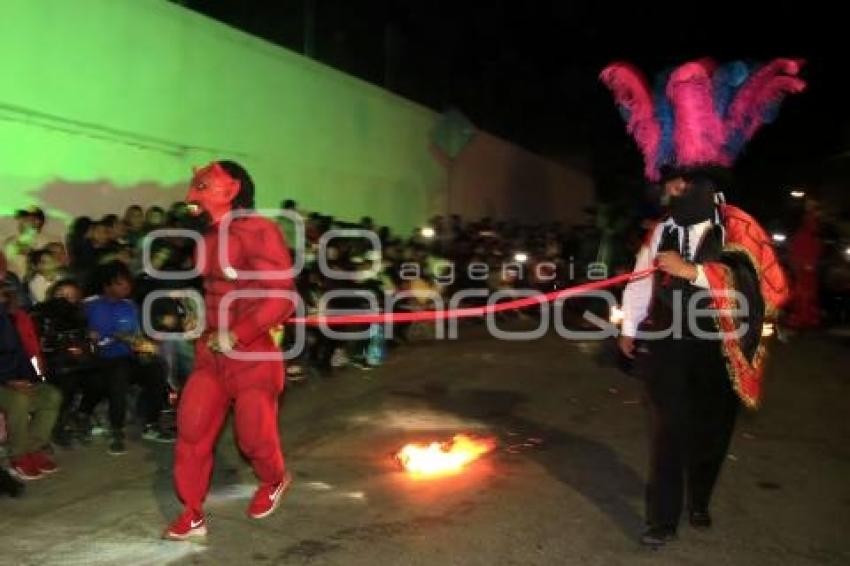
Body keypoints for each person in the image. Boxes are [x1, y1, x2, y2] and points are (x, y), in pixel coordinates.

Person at [602, 58, 803, 547]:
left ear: (702, 182)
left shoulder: (740, 227)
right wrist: (629, 327)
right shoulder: (660, 232)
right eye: (668, 181)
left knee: (711, 432)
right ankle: (662, 520)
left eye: (679, 181)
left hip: (720, 346)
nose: (670, 189)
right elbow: (639, 281)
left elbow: (770, 288)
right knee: (667, 432)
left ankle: (700, 500)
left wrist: (696, 271)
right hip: (669, 343)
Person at [164, 161, 296, 540]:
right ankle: (192, 512)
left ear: (232, 188)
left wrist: (239, 333)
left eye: (202, 186)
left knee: (253, 437)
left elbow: (282, 296)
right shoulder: (206, 237)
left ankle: (273, 480)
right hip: (211, 352)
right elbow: (213, 292)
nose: (192, 195)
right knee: (191, 429)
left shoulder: (259, 230)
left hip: (253, 354)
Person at [79, 261, 171, 455]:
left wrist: (147, 344)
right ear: (107, 286)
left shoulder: (129, 305)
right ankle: (116, 430)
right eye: (120, 283)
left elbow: (136, 336)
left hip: (128, 356)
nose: (126, 286)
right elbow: (94, 340)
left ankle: (150, 422)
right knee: (119, 373)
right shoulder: (92, 306)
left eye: (127, 282)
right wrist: (116, 337)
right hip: (102, 360)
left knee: (157, 368)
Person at [0, 284, 62, 481]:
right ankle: (17, 456)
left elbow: (21, 354)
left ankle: (32, 449)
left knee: (50, 395)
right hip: (4, 382)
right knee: (19, 400)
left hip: (14, 379)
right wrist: (8, 381)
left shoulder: (12, 318)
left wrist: (31, 380)